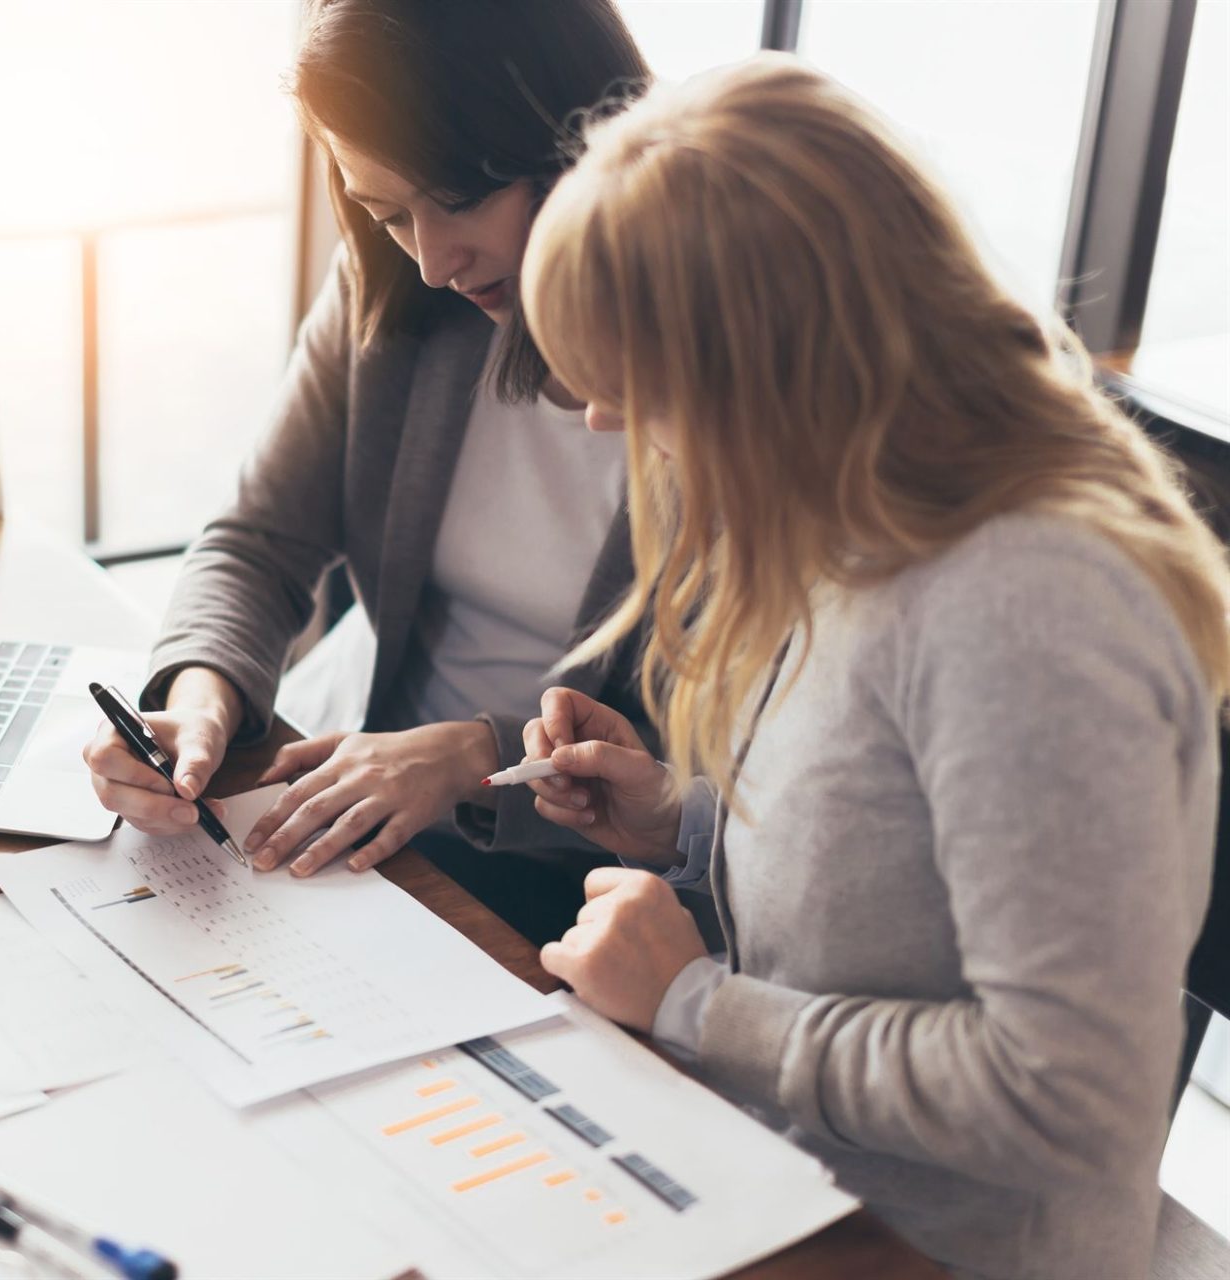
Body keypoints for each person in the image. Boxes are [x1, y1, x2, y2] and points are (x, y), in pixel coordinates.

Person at [514, 55, 1229, 1280]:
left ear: (768, 366)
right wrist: (687, 823)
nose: (606, 423)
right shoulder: (856, 520)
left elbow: (1067, 1091)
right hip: (782, 1192)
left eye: (635, 383)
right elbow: (906, 850)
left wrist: (692, 1000)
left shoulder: (1028, 607)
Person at [82, 0, 656, 940]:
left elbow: (731, 740)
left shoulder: (724, 356)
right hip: (331, 795)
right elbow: (257, 540)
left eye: (460, 198)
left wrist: (480, 757)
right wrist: (198, 705)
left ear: (575, 133)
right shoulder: (399, 294)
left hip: (570, 877)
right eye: (387, 213)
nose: (433, 260)